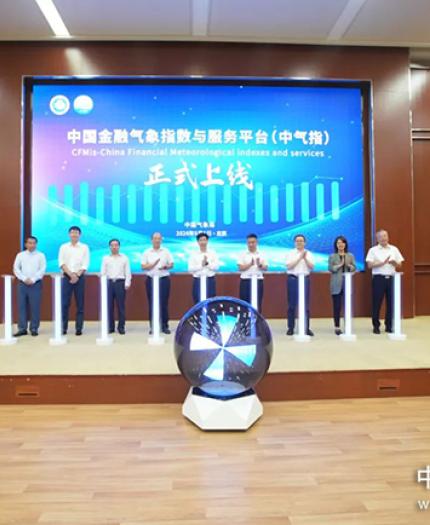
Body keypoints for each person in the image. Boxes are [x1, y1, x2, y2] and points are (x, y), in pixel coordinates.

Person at [366, 229, 404, 334]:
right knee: (376, 303)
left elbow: (400, 265)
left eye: (385, 236)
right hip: (378, 278)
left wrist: (394, 263)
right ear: (377, 239)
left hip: (392, 279)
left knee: (391, 303)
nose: (384, 238)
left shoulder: (394, 249)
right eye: (381, 236)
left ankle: (389, 325)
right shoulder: (373, 250)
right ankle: (376, 326)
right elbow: (369, 265)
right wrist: (381, 263)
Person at [58, 226, 90, 336]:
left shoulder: (84, 247)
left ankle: (79, 328)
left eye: (76, 233)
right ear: (69, 234)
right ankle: (63, 328)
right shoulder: (63, 247)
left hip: (80, 277)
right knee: (65, 304)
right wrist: (70, 274)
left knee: (80, 304)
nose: (74, 234)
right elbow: (61, 263)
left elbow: (85, 264)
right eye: (72, 232)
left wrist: (76, 275)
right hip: (66, 277)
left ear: (80, 235)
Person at [13, 236, 46, 337]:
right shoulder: (20, 255)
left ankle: (34, 328)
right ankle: (22, 328)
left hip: (35, 283)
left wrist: (33, 279)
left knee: (35, 307)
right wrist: (24, 278)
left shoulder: (40, 255)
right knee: (22, 306)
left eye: (34, 243)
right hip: (23, 284)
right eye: (30, 243)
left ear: (36, 244)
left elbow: (42, 269)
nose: (32, 245)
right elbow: (16, 268)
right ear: (25, 244)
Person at [141, 232, 174, 335]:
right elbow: (143, 267)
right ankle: (153, 327)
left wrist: (166, 267)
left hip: (163, 279)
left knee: (164, 303)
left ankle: (165, 326)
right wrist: (152, 265)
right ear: (151, 240)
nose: (157, 240)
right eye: (155, 238)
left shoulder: (166, 251)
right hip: (151, 279)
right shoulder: (147, 252)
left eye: (159, 238)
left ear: (161, 240)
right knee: (152, 303)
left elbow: (171, 264)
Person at [286, 234, 315, 336]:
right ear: (295, 242)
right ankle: (291, 328)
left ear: (305, 242)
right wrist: (299, 257)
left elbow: (311, 267)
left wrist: (305, 258)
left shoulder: (309, 253)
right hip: (293, 279)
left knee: (305, 305)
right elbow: (289, 266)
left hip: (305, 279)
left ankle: (306, 328)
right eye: (297, 241)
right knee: (291, 304)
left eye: (301, 241)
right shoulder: (290, 253)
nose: (299, 243)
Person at [101, 239, 131, 335]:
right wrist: (103, 284)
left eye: (116, 245)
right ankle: (110, 327)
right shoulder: (105, 258)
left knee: (121, 306)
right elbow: (103, 272)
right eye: (112, 245)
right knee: (109, 306)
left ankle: (121, 327)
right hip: (109, 283)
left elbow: (128, 272)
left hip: (120, 283)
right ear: (109, 247)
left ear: (119, 246)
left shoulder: (124, 258)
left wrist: (127, 283)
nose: (114, 247)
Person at [328, 236, 356, 335]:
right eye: (338, 243)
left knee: (347, 306)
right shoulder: (332, 256)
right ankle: (337, 327)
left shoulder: (350, 256)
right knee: (337, 306)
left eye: (342, 243)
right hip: (336, 284)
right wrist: (340, 265)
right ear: (336, 245)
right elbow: (330, 268)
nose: (340, 245)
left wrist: (349, 266)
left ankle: (347, 326)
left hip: (347, 284)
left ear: (345, 244)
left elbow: (354, 268)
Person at [237, 233, 267, 311]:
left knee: (257, 302)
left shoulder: (262, 253)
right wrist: (250, 264)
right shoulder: (242, 254)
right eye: (249, 242)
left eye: (253, 242)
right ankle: (245, 322)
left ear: (256, 242)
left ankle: (257, 322)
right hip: (245, 281)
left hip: (258, 280)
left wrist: (259, 265)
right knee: (244, 303)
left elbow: (265, 268)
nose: (251, 244)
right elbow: (240, 268)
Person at [188, 232, 219, 304]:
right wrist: (201, 265)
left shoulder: (213, 253)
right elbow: (190, 269)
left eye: (204, 240)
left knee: (211, 302)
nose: (203, 242)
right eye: (201, 240)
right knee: (198, 302)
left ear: (207, 241)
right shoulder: (193, 254)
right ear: (198, 242)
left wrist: (207, 264)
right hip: (198, 281)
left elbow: (217, 267)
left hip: (210, 281)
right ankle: (199, 315)